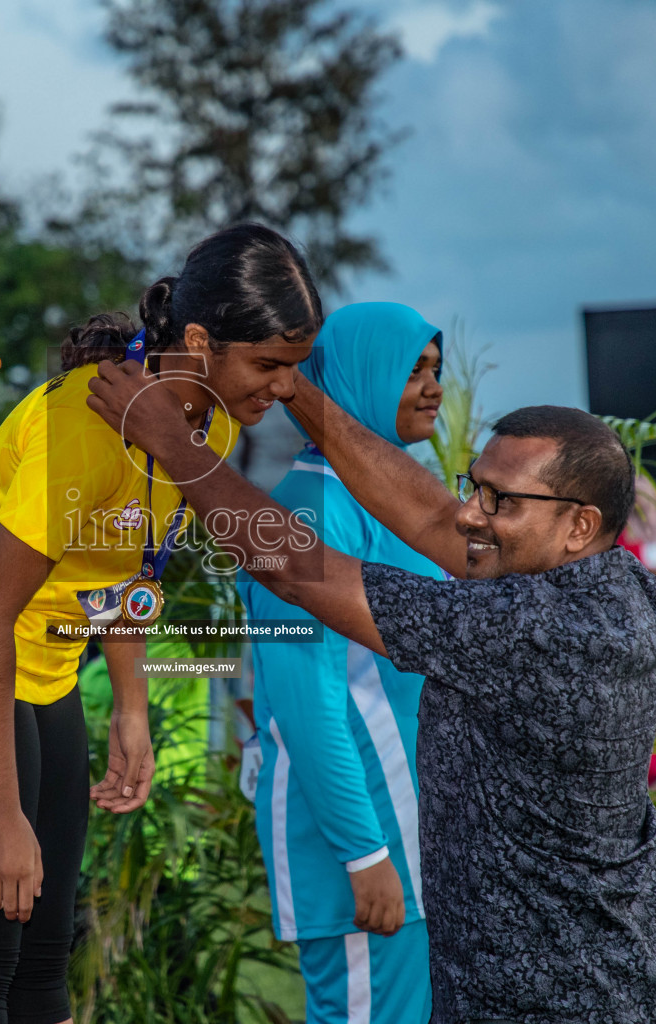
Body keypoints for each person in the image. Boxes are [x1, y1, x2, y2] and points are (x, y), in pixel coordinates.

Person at [86, 363, 656, 1024]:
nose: (470, 513)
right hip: (589, 980)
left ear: (580, 525)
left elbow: (298, 574)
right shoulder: (621, 586)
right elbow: (429, 512)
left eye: (502, 502)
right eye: (476, 488)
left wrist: (174, 445)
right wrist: (298, 389)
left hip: (568, 1000)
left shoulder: (540, 629)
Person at [0, 223, 323, 1024]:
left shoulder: (204, 424)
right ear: (197, 340)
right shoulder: (87, 427)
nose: (283, 390)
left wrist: (133, 709)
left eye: (294, 368)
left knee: (46, 952)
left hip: (40, 669)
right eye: (269, 365)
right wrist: (0, 815)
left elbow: (124, 568)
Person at [239, 303, 444, 1024]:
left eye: (435, 369)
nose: (433, 387)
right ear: (355, 376)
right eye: (411, 369)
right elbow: (305, 701)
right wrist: (365, 854)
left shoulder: (406, 505)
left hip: (419, 828)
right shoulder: (306, 507)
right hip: (366, 840)